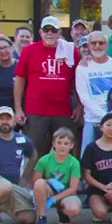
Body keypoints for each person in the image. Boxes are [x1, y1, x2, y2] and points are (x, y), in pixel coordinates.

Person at [13, 16, 80, 158]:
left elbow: (79, 80)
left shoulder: (70, 50)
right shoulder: (29, 51)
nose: (50, 33)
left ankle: (62, 180)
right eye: (46, 30)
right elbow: (20, 81)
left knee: (64, 151)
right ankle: (30, 180)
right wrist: (18, 108)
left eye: (54, 30)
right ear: (40, 32)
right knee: (34, 152)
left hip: (63, 111)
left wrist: (80, 106)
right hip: (35, 110)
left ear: (60, 33)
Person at [75, 31, 112, 150]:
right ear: (88, 45)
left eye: (101, 43)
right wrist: (104, 117)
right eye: (94, 43)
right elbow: (84, 97)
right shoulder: (82, 67)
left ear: (107, 45)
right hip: (91, 120)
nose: (97, 46)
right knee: (87, 158)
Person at [30, 127, 83, 224]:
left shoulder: (74, 163)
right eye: (59, 142)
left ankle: (62, 211)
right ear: (53, 144)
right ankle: (41, 218)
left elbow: (73, 189)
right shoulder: (44, 160)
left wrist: (55, 199)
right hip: (49, 190)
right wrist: (48, 181)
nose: (62, 146)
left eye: (66, 143)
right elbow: (36, 181)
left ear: (71, 145)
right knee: (40, 183)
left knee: (74, 209)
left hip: (66, 192)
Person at [79, 113, 112, 224]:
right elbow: (87, 175)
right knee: (100, 213)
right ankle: (106, 206)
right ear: (101, 127)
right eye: (108, 125)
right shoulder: (91, 148)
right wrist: (103, 187)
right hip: (97, 189)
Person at [0, 34, 18, 111]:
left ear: (12, 47)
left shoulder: (20, 66)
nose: (3, 51)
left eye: (5, 47)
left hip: (16, 111)